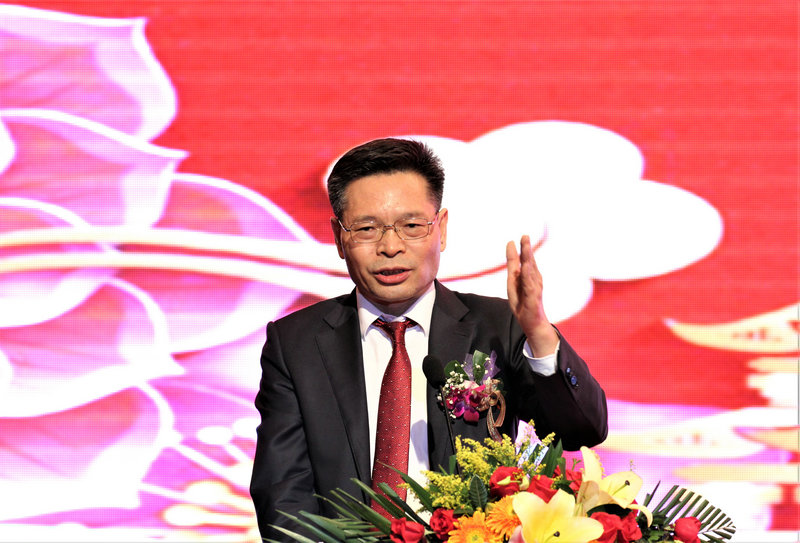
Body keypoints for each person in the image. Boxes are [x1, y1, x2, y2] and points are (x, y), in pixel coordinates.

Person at [250, 138, 608, 539]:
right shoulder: (297, 344)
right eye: (366, 229)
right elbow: (282, 496)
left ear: (441, 229)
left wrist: (539, 331)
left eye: (411, 226)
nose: (390, 247)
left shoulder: (497, 326)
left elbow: (582, 431)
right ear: (338, 237)